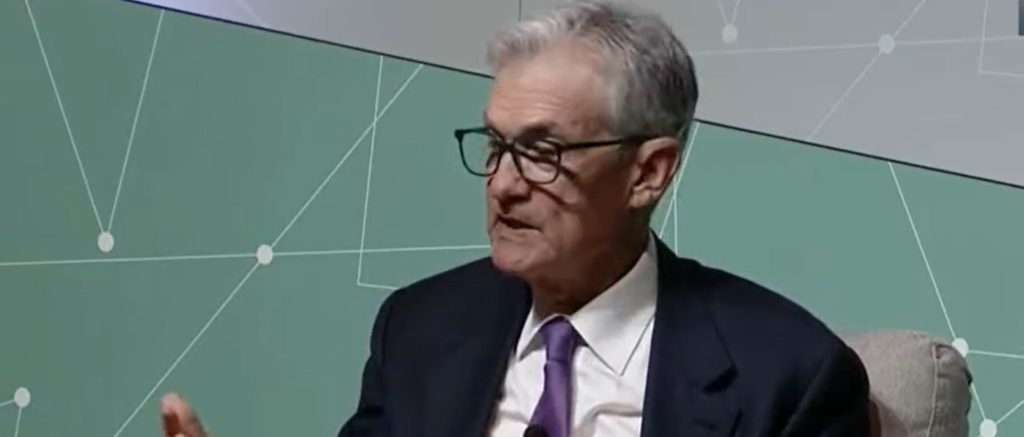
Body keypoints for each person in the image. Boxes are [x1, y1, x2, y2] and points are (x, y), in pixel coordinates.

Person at [161, 1, 871, 436]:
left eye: (542, 153)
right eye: (495, 146)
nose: (502, 185)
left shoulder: (790, 375)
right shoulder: (420, 329)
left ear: (648, 173)